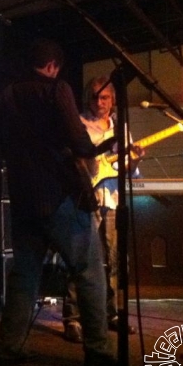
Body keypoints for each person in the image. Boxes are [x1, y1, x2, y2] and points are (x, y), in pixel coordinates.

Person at [0, 38, 118, 366]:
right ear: (53, 66)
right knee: (90, 271)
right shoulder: (56, 90)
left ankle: (8, 347)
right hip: (60, 196)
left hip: (23, 198)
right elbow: (79, 142)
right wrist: (109, 142)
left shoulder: (7, 95)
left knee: (25, 274)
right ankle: (97, 351)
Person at [61, 76, 144, 343]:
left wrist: (134, 160)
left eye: (105, 97)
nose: (100, 102)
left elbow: (129, 171)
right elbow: (71, 161)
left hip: (112, 201)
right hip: (85, 199)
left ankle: (110, 314)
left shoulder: (121, 128)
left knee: (112, 261)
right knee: (81, 259)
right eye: (96, 96)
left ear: (113, 100)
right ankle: (72, 319)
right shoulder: (80, 123)